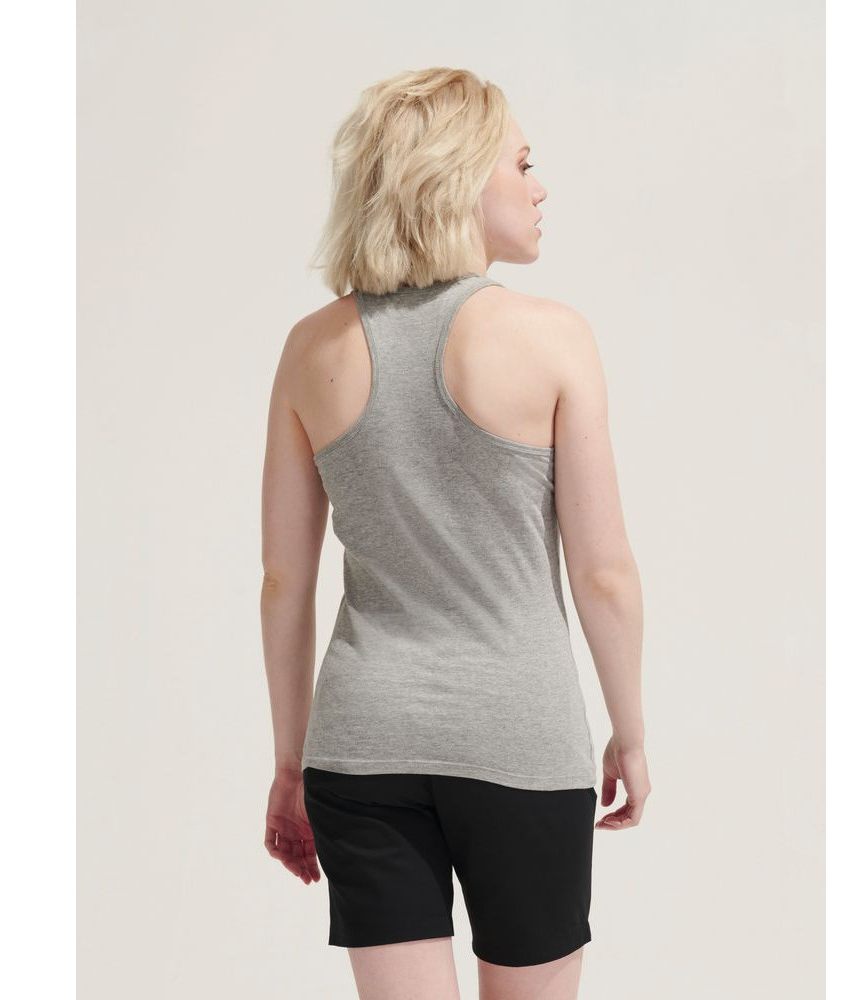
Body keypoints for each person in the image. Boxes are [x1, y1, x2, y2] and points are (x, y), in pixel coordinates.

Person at [260, 67, 649, 1000]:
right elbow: (603, 574)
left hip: (361, 747)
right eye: (523, 163)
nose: (539, 186)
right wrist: (629, 734)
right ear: (459, 176)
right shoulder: (553, 338)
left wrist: (289, 764)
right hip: (522, 742)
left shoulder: (311, 349)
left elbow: (283, 582)